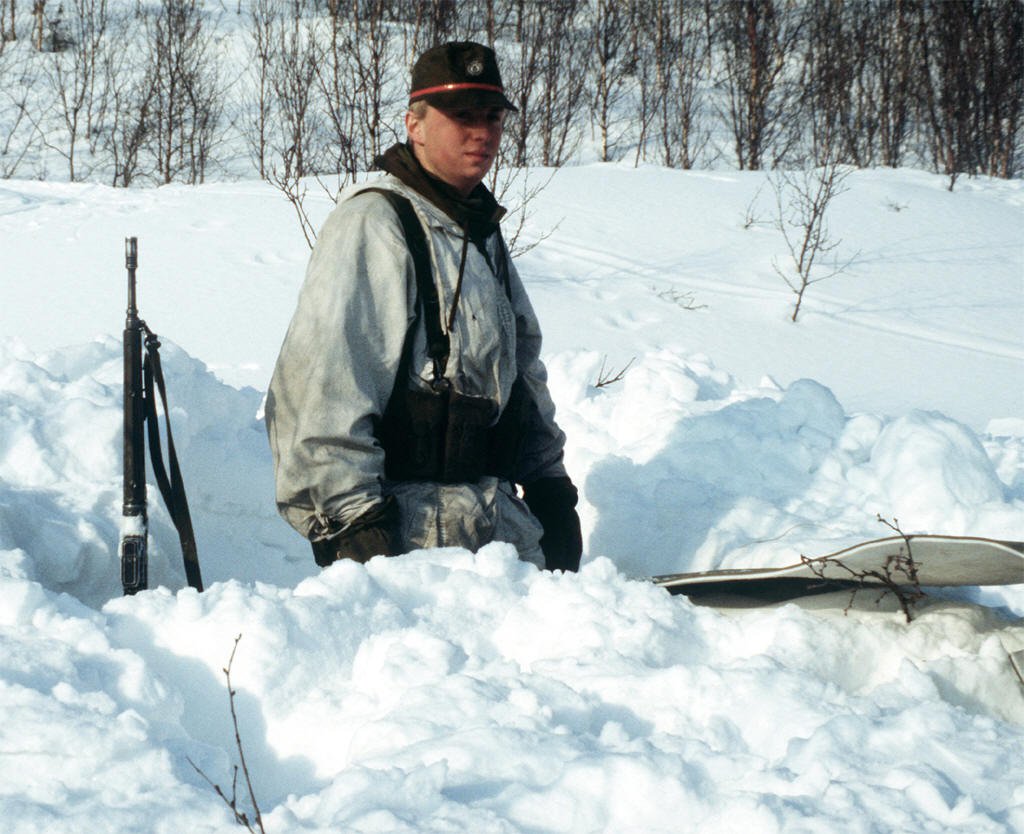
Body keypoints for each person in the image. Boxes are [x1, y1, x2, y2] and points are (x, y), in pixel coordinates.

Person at [265, 41, 582, 572]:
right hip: (411, 543)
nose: (482, 132)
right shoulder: (376, 223)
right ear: (415, 125)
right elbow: (323, 389)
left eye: (492, 116)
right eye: (462, 116)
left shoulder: (478, 228)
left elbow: (521, 374)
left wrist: (550, 485)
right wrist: (356, 528)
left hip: (498, 530)